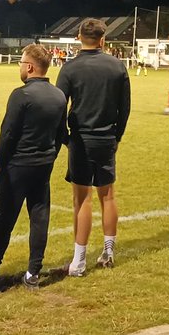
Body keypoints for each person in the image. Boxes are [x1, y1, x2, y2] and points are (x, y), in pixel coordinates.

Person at [0, 44, 67, 291]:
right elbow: (60, 135)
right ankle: (33, 273)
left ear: (30, 67)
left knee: (4, 220)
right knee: (39, 217)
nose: (19, 66)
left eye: (21, 62)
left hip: (17, 167)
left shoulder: (21, 95)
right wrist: (50, 157)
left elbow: (8, 134)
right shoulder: (58, 95)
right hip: (43, 165)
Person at [56, 17, 131, 275]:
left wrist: (65, 138)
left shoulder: (70, 68)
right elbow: (125, 108)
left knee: (81, 199)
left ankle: (79, 260)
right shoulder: (117, 66)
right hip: (106, 138)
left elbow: (58, 106)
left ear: (79, 37)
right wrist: (117, 136)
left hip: (81, 139)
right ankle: (108, 252)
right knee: (108, 195)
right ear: (103, 39)